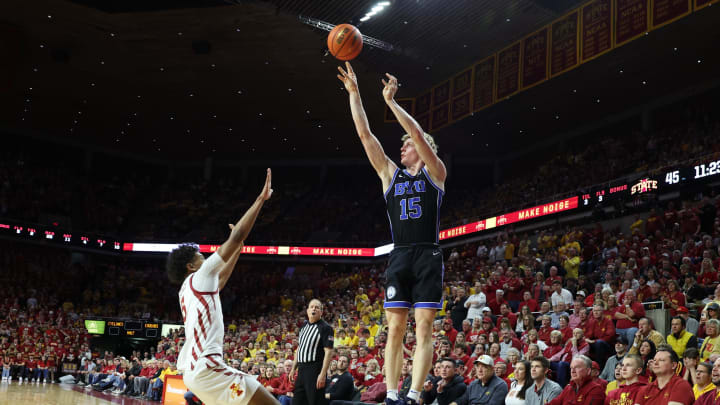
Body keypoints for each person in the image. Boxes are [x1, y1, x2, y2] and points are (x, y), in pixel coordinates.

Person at [337, 61, 447, 405]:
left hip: (428, 252)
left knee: (425, 326)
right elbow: (365, 136)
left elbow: (415, 133)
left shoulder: (435, 172)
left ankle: (415, 394)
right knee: (395, 329)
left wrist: (391, 103)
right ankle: (394, 394)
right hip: (399, 254)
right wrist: (355, 94)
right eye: (401, 146)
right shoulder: (390, 175)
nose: (402, 149)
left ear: (423, 148)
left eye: (407, 146)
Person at [168, 169, 279, 405]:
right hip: (207, 369)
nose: (205, 257)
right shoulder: (200, 275)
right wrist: (261, 200)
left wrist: (238, 250)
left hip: (195, 373)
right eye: (200, 256)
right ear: (190, 265)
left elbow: (222, 280)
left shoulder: (188, 288)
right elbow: (236, 235)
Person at [290, 300, 335, 405]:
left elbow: (328, 352)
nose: (314, 309)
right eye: (311, 307)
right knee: (297, 401)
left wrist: (323, 374)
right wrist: (293, 368)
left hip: (314, 369)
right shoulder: (303, 327)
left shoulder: (326, 328)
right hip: (301, 369)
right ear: (307, 310)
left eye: (317, 307)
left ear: (321, 312)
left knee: (315, 401)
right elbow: (299, 349)